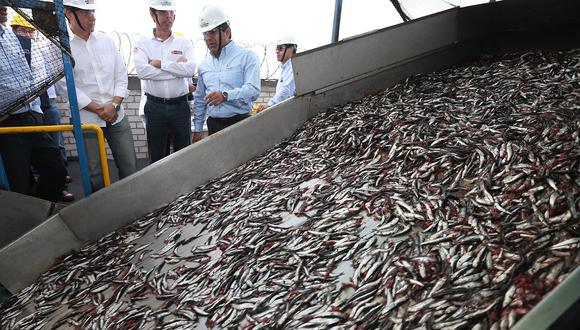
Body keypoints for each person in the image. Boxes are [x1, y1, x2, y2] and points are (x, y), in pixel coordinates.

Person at [60, 0, 137, 192]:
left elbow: (121, 75)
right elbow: (65, 86)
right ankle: (103, 216)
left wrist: (114, 105)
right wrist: (98, 109)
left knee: (130, 168)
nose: (92, 17)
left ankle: (131, 207)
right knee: (94, 175)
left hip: (117, 117)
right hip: (87, 121)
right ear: (69, 13)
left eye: (92, 11)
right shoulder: (63, 48)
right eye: (85, 12)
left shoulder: (107, 42)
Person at [0, 9, 67, 202]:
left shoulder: (11, 38)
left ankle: (40, 210)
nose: (5, 6)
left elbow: (26, 75)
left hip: (30, 116)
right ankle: (27, 223)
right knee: (18, 183)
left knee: (56, 170)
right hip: (5, 123)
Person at [133, 0, 196, 163]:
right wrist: (176, 70)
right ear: (152, 15)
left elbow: (190, 69)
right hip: (155, 107)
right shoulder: (142, 42)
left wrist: (161, 64)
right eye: (163, 13)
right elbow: (142, 72)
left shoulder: (184, 41)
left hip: (180, 107)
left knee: (184, 155)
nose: (169, 17)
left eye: (171, 13)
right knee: (157, 156)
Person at [192, 4, 260, 142]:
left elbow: (253, 90)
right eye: (205, 33)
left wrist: (225, 96)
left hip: (240, 123)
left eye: (212, 32)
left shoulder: (246, 56)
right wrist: (198, 129)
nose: (208, 38)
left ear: (227, 32)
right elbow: (200, 99)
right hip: (214, 125)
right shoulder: (204, 66)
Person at [256, 35, 297, 112]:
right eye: (276, 48)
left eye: (280, 48)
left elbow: (286, 90)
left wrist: (269, 104)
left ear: (291, 49)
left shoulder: (293, 68)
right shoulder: (285, 69)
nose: (277, 51)